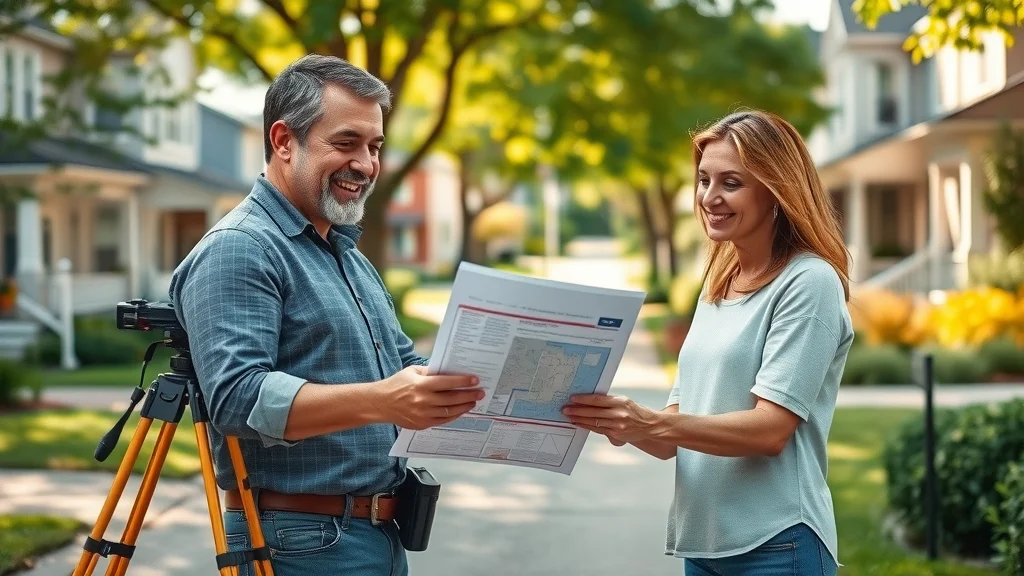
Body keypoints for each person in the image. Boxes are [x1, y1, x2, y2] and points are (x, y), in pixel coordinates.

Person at [169, 54, 484, 576]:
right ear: (283, 141)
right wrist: (386, 400)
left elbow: (406, 369)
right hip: (301, 544)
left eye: (375, 146)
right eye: (345, 143)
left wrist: (509, 377)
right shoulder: (241, 248)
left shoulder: (345, 255)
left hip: (375, 535)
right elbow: (237, 398)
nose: (366, 163)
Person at [562, 110, 853, 576]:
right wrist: (621, 419)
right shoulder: (720, 280)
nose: (709, 198)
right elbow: (676, 431)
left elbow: (770, 430)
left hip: (777, 546)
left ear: (776, 191)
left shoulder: (809, 282)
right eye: (703, 180)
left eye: (731, 183)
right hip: (704, 547)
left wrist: (653, 423)